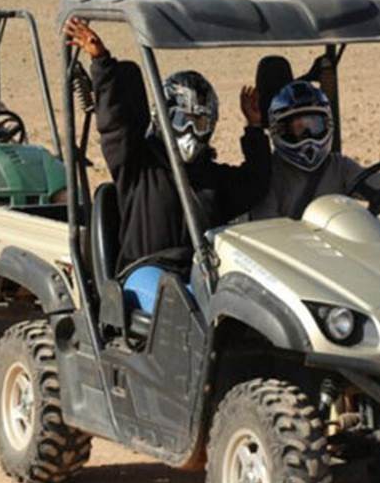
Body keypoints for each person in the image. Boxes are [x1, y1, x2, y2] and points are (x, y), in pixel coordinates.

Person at [65, 17, 271, 313]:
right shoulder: (138, 164)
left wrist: (254, 128)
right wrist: (102, 63)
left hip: (198, 273)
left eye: (198, 121)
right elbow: (114, 126)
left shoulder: (211, 178)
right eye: (181, 119)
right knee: (181, 306)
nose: (189, 130)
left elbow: (256, 183)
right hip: (143, 271)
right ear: (163, 116)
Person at [250, 80, 380, 220]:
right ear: (280, 130)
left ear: (327, 124)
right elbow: (267, 231)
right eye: (299, 128)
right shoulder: (269, 175)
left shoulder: (339, 166)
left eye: (314, 125)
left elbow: (377, 182)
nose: (308, 136)